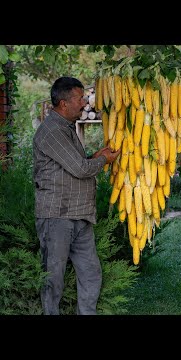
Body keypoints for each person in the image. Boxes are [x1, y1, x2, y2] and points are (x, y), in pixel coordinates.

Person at [33, 77, 120, 315]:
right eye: (80, 98)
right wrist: (104, 160)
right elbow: (81, 169)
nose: (84, 103)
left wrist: (95, 155)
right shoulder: (51, 130)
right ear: (63, 103)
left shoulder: (66, 128)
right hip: (57, 217)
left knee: (91, 273)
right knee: (53, 278)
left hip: (79, 216)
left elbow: (75, 165)